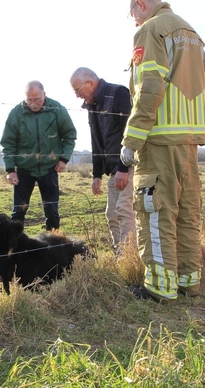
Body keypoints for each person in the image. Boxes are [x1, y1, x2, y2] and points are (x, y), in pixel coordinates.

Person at [121, 0, 205, 301]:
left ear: (140, 4)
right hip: (189, 141)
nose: (132, 19)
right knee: (186, 214)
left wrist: (132, 139)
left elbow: (150, 87)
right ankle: (188, 282)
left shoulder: (151, 30)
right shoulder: (193, 34)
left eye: (131, 12)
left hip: (158, 140)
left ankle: (159, 287)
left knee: (156, 213)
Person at [70, 67, 136, 254]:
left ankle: (129, 259)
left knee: (124, 210)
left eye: (77, 90)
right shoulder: (93, 105)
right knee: (112, 215)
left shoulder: (118, 94)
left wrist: (124, 167)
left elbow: (130, 134)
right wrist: (97, 174)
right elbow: (96, 140)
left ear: (90, 83)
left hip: (128, 166)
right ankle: (120, 256)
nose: (77, 96)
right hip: (114, 169)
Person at [1, 81, 77, 231]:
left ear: (44, 95)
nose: (33, 103)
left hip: (49, 168)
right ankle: (15, 250)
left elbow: (69, 135)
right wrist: (10, 170)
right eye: (29, 99)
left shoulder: (57, 110)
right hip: (24, 170)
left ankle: (52, 246)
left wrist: (63, 159)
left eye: (37, 99)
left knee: (52, 213)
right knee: (18, 213)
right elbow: (8, 143)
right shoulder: (16, 113)